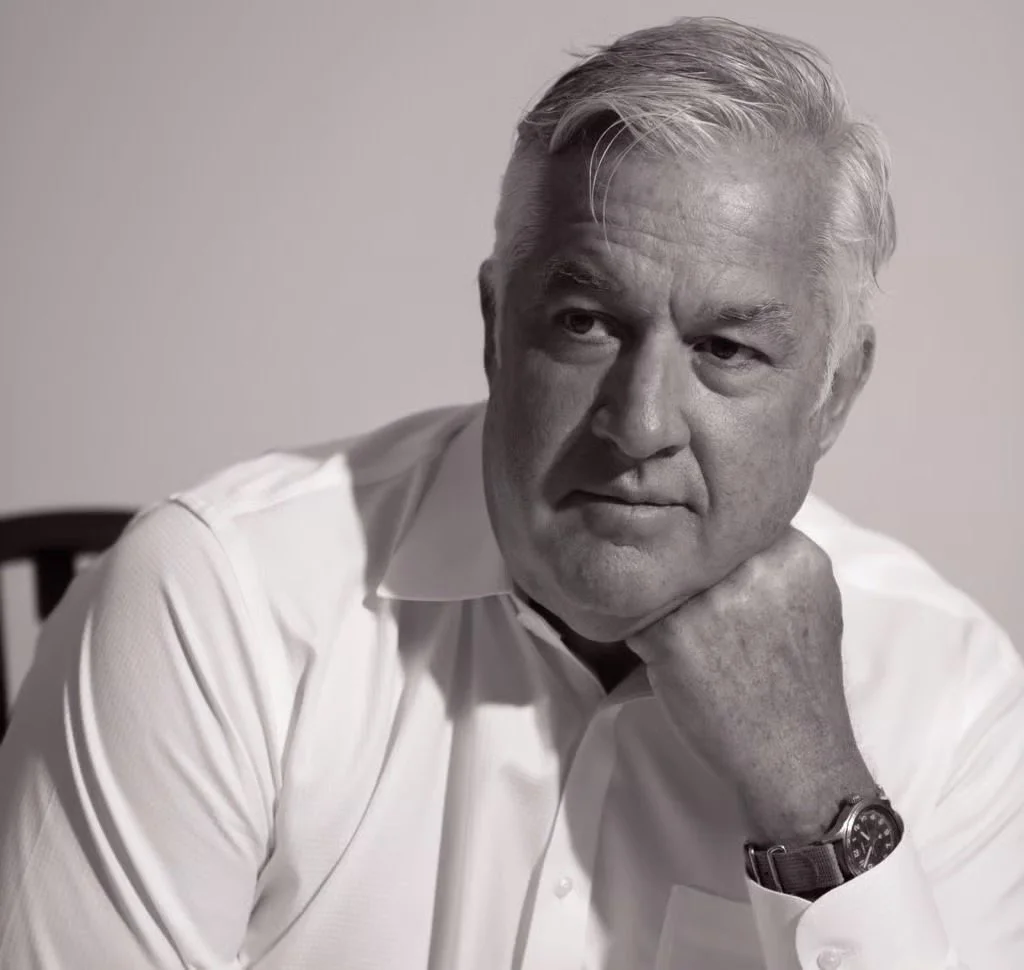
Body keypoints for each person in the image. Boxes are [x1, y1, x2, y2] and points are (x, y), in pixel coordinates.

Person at [1, 15, 1022, 970]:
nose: (640, 423)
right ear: (495, 325)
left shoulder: (951, 694)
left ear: (834, 393)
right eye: (585, 321)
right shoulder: (214, 598)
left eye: (724, 348)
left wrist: (817, 803)